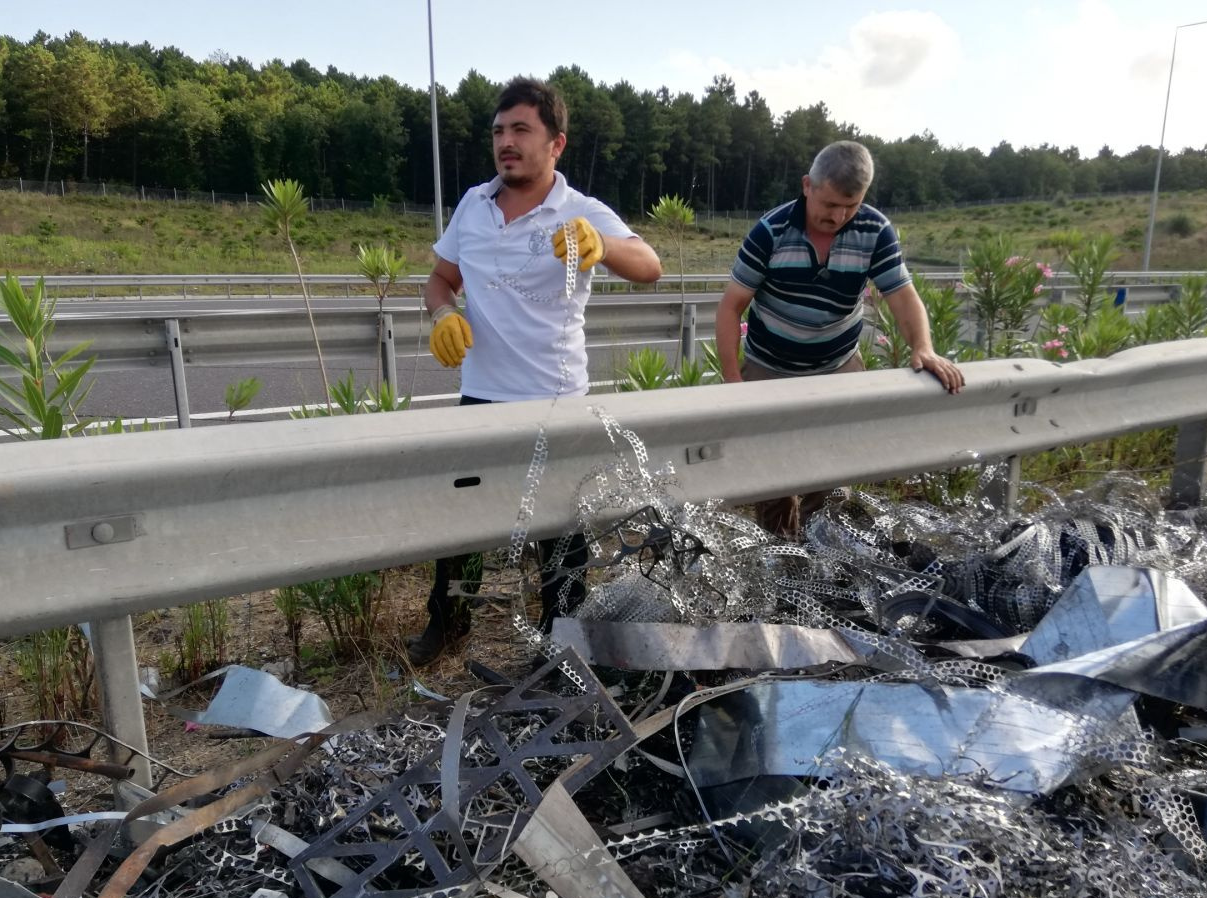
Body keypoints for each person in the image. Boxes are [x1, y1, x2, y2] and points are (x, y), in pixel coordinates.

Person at [407, 76, 663, 667]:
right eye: (499, 131)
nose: (507, 142)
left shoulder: (578, 211)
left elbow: (649, 266)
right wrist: (444, 311)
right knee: (462, 523)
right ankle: (447, 624)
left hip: (556, 399)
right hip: (482, 394)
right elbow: (440, 279)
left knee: (561, 532)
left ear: (556, 144)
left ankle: (563, 641)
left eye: (522, 130)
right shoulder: (473, 204)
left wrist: (600, 242)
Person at [714, 140, 964, 539]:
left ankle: (825, 559)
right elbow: (731, 307)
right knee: (772, 478)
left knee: (831, 477)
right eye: (830, 205)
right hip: (770, 365)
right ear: (807, 186)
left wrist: (923, 347)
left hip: (838, 366)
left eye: (851, 206)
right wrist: (733, 383)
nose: (840, 216)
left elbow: (901, 295)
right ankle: (783, 564)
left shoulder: (874, 229)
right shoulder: (770, 231)